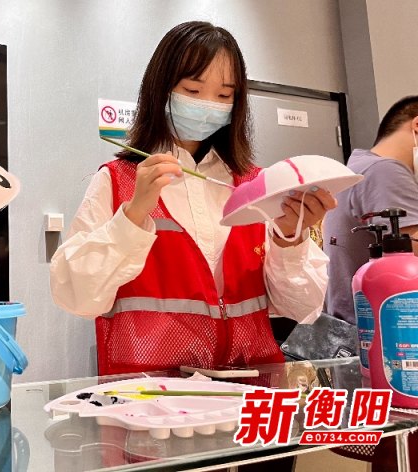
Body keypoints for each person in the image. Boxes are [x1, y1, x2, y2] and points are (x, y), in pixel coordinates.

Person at [50, 21, 336, 376]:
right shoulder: (118, 180)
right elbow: (75, 296)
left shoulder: (255, 186)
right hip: (151, 393)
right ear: (161, 89)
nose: (208, 105)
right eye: (193, 89)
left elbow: (302, 308)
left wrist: (289, 239)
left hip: (249, 389)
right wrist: (133, 215)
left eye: (224, 96)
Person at [324, 96, 418, 324]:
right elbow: (413, 253)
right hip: (389, 330)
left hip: (359, 325)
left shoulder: (358, 166)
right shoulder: (385, 171)